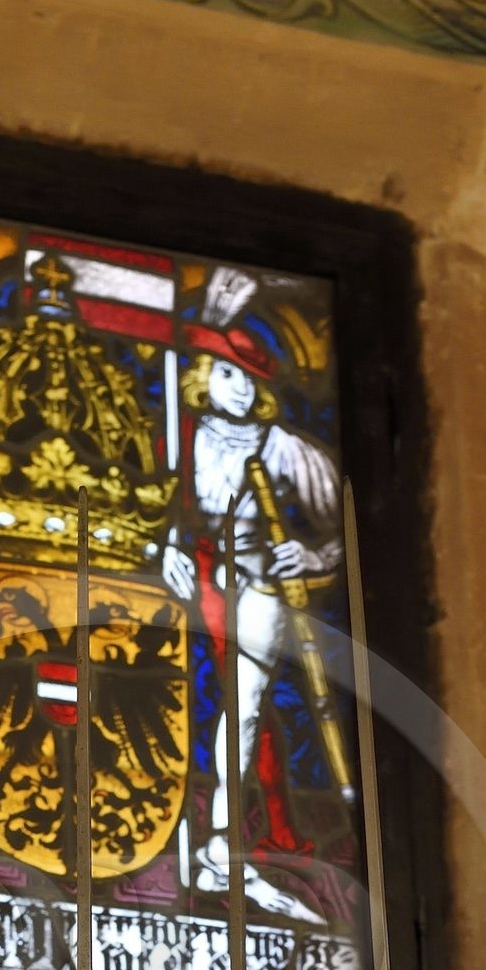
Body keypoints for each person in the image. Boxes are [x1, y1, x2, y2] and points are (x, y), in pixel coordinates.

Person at [161, 314, 341, 921]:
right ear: (203, 376)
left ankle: (218, 847)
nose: (239, 388)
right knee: (203, 700)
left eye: (249, 378)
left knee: (243, 701)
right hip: (201, 575)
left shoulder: (284, 448)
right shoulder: (176, 436)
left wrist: (311, 552)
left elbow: (342, 530)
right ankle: (219, 838)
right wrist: (166, 548)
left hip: (261, 583)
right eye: (227, 372)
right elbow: (158, 507)